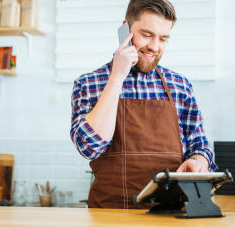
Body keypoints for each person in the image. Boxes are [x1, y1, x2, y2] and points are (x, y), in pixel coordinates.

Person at [70, 0, 217, 209]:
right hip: (110, 215)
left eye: (163, 38)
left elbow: (199, 146)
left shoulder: (180, 86)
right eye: (146, 35)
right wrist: (117, 77)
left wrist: (198, 162)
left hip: (171, 215)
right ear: (125, 29)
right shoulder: (88, 84)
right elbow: (89, 148)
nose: (154, 47)